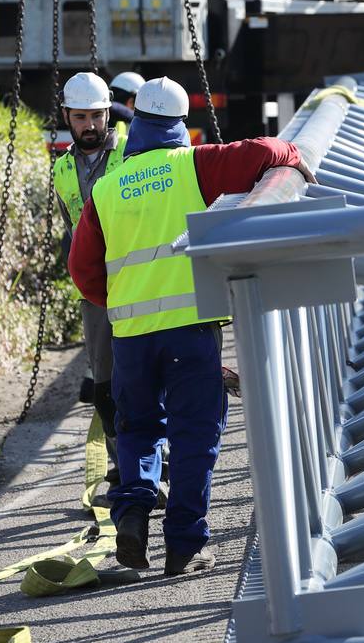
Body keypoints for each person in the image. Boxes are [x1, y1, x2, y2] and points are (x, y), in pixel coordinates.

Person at [68, 77, 315, 575]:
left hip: (131, 337)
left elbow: (82, 270)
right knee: (194, 435)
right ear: (180, 125)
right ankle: (184, 546)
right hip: (191, 331)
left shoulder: (108, 188)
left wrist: (120, 302)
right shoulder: (195, 166)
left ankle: (133, 511)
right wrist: (294, 155)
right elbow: (262, 151)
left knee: (137, 427)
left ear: (135, 126)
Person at [53, 72, 128, 473]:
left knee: (145, 376)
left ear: (107, 113)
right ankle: (122, 462)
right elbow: (71, 227)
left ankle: (154, 458)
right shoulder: (61, 170)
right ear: (67, 116)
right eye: (80, 117)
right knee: (105, 385)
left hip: (136, 281)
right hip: (95, 292)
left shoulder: (129, 156)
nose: (89, 126)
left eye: (96, 116)